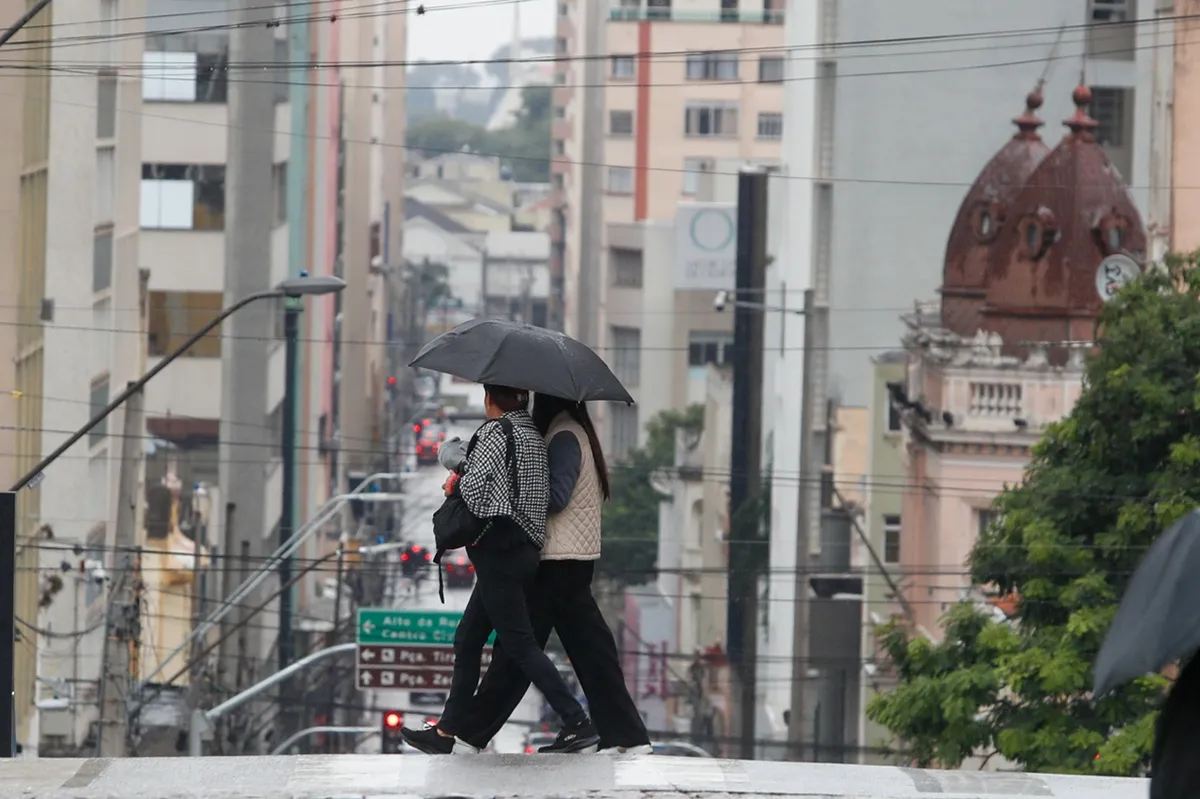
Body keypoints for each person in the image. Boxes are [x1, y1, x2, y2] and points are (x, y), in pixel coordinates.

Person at [400, 385, 600, 756]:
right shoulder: (532, 435)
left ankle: (577, 721)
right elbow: (534, 496)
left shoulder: (496, 431)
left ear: (490, 397)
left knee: (520, 645)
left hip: (499, 555)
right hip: (523, 552)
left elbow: (477, 495)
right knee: (468, 639)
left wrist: (457, 473)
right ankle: (446, 731)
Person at [451, 392, 652, 755]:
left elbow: (557, 497)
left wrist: (513, 493)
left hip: (556, 559)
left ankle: (468, 735)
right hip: (573, 560)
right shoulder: (572, 431)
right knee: (592, 651)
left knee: (515, 651)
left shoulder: (563, 436)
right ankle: (626, 736)